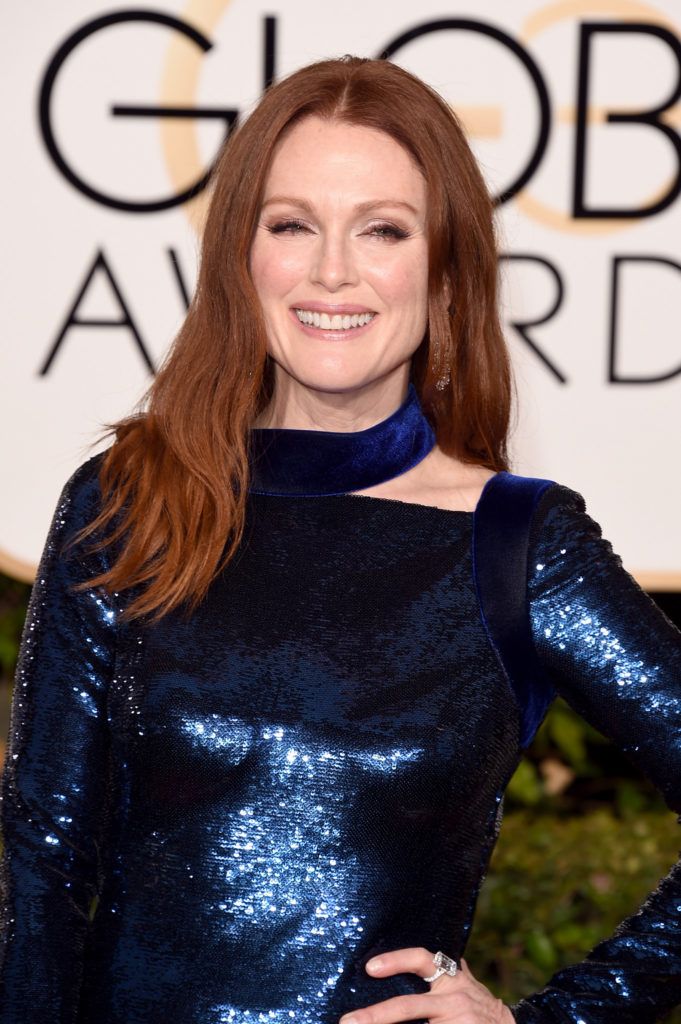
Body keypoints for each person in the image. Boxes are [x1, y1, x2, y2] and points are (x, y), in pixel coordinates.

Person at [0, 54, 679, 1024]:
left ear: (445, 269)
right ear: (243, 254)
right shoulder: (130, 498)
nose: (331, 270)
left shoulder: (520, 544)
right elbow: (45, 856)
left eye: (383, 230)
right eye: (292, 225)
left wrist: (553, 1020)